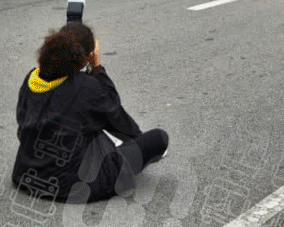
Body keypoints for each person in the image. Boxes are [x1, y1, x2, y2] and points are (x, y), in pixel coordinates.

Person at [11, 23, 168, 202]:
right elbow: (116, 117)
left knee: (85, 127)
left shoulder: (32, 79)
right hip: (70, 186)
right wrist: (97, 69)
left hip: (26, 175)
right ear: (86, 58)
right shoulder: (84, 87)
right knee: (159, 138)